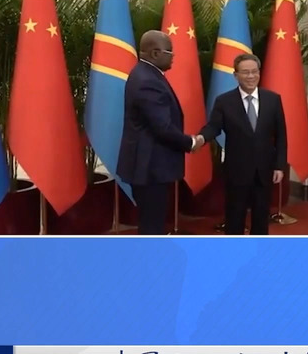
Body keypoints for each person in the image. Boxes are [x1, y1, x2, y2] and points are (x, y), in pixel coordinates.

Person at [116, 30, 204, 235]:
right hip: (150, 168)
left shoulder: (146, 74)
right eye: (169, 52)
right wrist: (191, 142)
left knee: (151, 222)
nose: (173, 56)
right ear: (155, 53)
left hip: (150, 167)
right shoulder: (148, 81)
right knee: (152, 225)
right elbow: (162, 128)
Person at [198, 53, 287, 235]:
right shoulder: (224, 101)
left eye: (254, 71)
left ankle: (258, 250)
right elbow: (213, 127)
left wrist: (279, 166)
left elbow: (281, 136)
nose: (251, 76)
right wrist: (200, 138)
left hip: (264, 170)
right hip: (236, 170)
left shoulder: (273, 100)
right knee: (234, 218)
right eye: (245, 72)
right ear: (235, 75)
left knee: (261, 219)